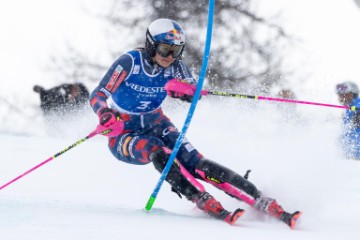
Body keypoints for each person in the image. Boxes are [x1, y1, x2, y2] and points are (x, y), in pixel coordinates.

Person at [89, 18, 301, 227]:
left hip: (156, 122)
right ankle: (201, 199)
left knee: (195, 162)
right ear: (151, 44)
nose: (170, 56)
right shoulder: (131, 62)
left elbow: (193, 88)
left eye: (176, 50)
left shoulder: (176, 67)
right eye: (164, 49)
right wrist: (105, 114)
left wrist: (186, 91)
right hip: (123, 132)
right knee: (158, 151)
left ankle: (260, 199)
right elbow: (98, 94)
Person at [336, 81, 360, 159]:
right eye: (339, 94)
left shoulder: (357, 105)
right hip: (350, 157)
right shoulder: (349, 109)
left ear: (353, 94)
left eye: (344, 94)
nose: (341, 97)